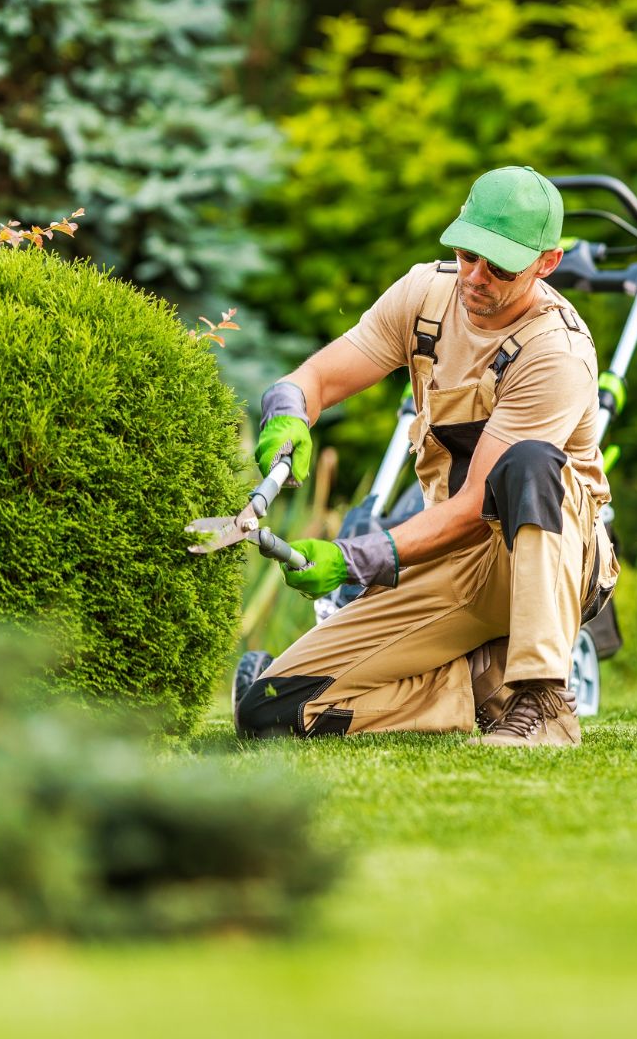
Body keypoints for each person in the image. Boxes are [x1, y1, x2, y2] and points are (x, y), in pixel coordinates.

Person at [234, 165, 616, 747]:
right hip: (447, 560)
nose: (476, 277)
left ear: (548, 263)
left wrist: (353, 557)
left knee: (529, 463)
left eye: (501, 265)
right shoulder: (425, 294)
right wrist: (287, 410)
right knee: (267, 711)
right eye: (468, 254)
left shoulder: (555, 352)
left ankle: (543, 700)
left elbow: (470, 508)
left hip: (543, 558)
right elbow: (317, 377)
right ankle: (474, 681)